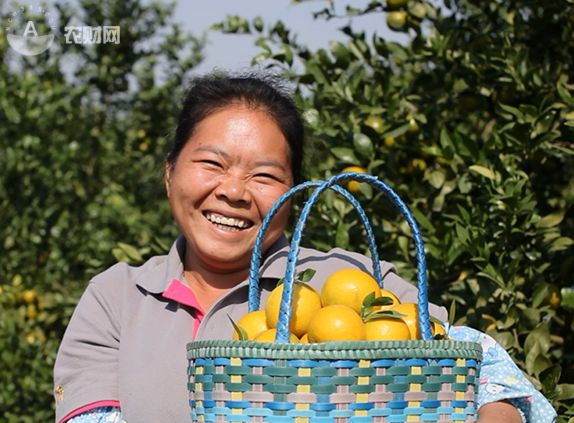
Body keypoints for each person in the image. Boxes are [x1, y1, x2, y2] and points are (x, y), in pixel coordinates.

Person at [53, 73, 556, 423]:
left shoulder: (350, 281)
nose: (234, 190)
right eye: (212, 163)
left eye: (265, 175)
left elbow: (478, 363)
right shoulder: (118, 297)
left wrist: (497, 412)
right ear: (169, 172)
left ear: (295, 193)